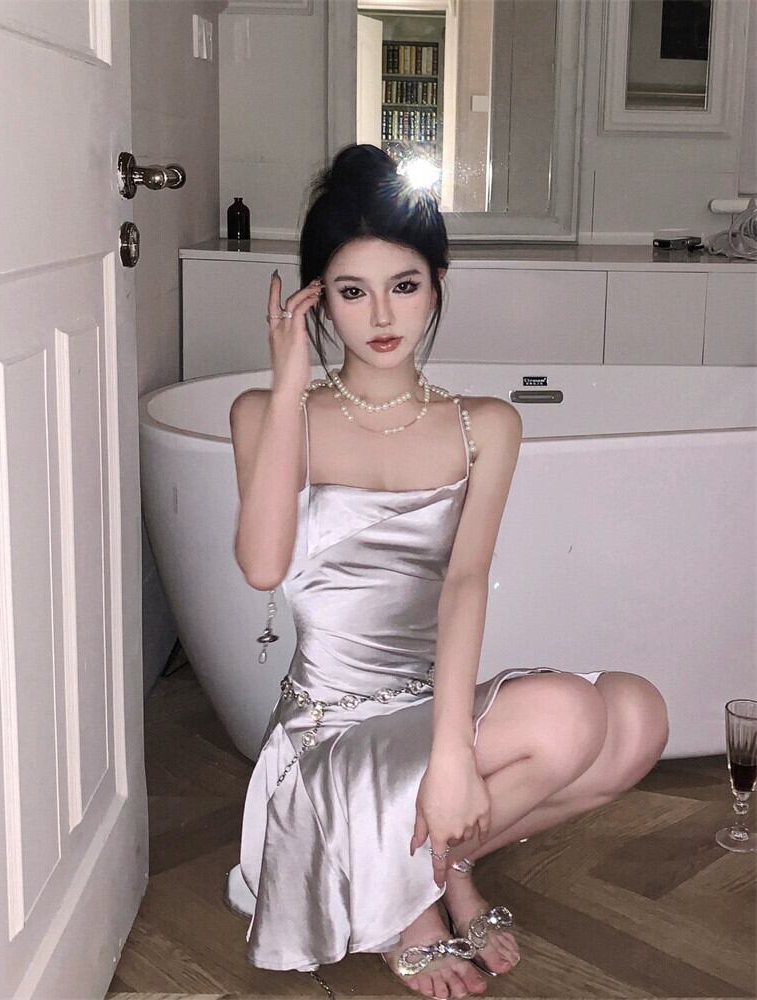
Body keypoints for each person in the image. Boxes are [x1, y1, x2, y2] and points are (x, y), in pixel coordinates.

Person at [225, 144, 669, 1000]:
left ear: (437, 284)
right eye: (351, 291)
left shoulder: (484, 426)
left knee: (638, 719)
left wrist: (452, 751)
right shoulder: (268, 415)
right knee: (572, 716)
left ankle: (438, 864)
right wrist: (286, 389)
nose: (381, 315)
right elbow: (262, 565)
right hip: (329, 736)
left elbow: (466, 584)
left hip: (427, 705)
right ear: (318, 298)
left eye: (404, 284)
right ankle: (411, 907)